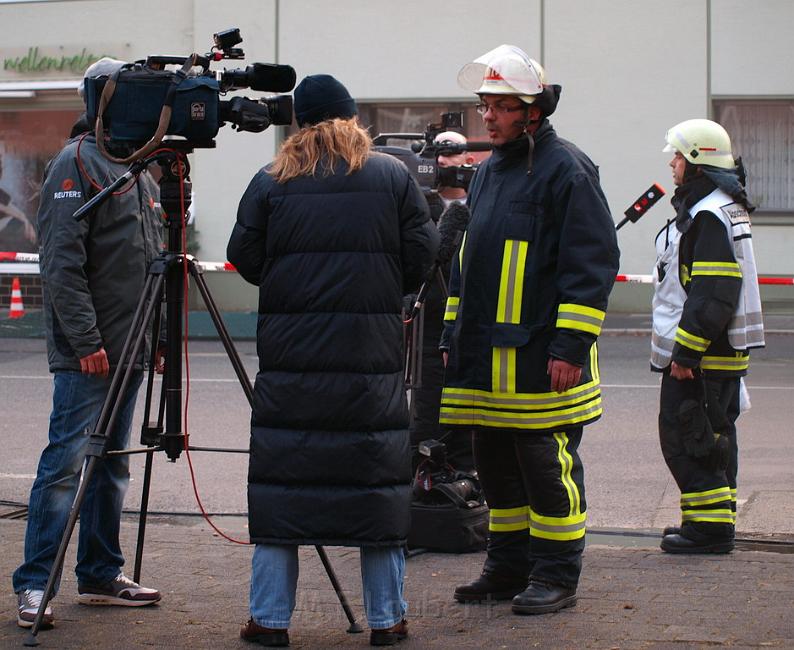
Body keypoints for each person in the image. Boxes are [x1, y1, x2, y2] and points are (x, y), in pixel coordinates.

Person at [227, 74, 438, 647]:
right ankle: (387, 619)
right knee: (377, 487)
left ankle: (269, 621)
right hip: (369, 359)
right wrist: (380, 287)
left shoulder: (272, 179)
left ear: (299, 121)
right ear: (350, 118)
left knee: (282, 485)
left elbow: (241, 253)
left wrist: (290, 277)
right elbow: (422, 253)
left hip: (291, 360)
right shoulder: (391, 175)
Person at [440, 44, 620, 614]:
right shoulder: (490, 171)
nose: (487, 116)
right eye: (484, 105)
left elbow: (589, 266)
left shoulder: (567, 168)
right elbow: (466, 262)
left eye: (499, 107)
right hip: (486, 364)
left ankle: (556, 576)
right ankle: (507, 567)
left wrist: (570, 346)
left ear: (532, 111)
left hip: (543, 361)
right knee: (496, 470)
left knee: (547, 471)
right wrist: (451, 335)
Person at [12, 58, 163, 629]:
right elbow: (62, 264)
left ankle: (100, 573)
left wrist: (158, 337)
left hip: (131, 348)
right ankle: (35, 585)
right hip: (92, 354)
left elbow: (149, 262)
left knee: (112, 466)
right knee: (65, 466)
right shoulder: (78, 163)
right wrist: (85, 341)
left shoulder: (139, 173)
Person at [653, 119, 764, 554]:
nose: (672, 162)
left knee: (688, 437)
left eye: (678, 155)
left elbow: (713, 290)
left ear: (696, 162)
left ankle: (708, 531)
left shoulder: (708, 215)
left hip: (702, 355)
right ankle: (710, 522)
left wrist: (687, 350)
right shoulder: (722, 206)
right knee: (714, 437)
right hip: (720, 352)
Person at [408, 130, 475, 473]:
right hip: (429, 332)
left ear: (469, 160)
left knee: (468, 428)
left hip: (472, 330)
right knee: (426, 423)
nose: (444, 160)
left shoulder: (481, 206)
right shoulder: (418, 207)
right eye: (437, 153)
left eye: (453, 153)